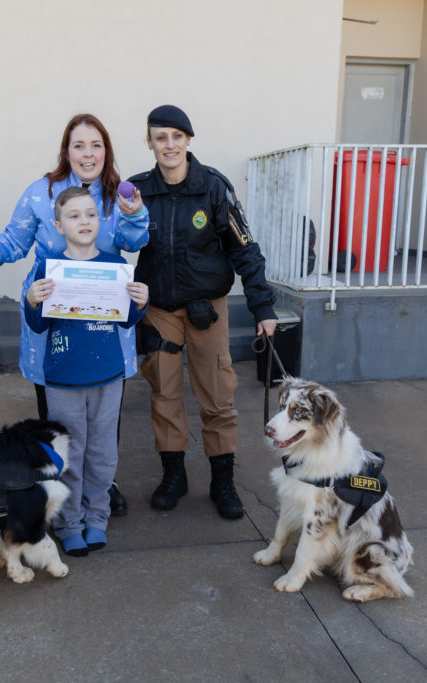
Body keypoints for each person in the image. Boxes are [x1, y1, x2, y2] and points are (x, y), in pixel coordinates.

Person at [0, 113, 148, 515]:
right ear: (66, 151)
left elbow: (134, 240)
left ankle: (101, 488)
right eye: (78, 145)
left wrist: (134, 212)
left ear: (106, 150)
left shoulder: (119, 195)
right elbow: (10, 246)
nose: (87, 153)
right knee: (59, 418)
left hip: (104, 324)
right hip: (51, 326)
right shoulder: (41, 193)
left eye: (96, 145)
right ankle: (62, 494)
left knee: (105, 424)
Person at [129, 105, 278, 520]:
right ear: (150, 143)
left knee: (217, 397)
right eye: (161, 137)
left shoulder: (213, 187)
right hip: (158, 311)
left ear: (188, 140)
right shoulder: (138, 191)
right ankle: (174, 476)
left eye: (177, 136)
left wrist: (262, 306)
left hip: (206, 310)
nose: (169, 145)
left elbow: (244, 248)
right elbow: (115, 241)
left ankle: (222, 480)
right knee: (164, 395)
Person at [23, 186, 148, 555]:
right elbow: (39, 326)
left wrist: (140, 303)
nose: (84, 221)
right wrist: (32, 301)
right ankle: (68, 523)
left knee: (103, 453)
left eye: (91, 214)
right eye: (74, 216)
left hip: (108, 376)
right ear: (59, 225)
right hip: (63, 379)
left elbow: (125, 321)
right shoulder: (49, 269)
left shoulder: (114, 266)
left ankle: (97, 519)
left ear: (100, 221)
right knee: (69, 455)